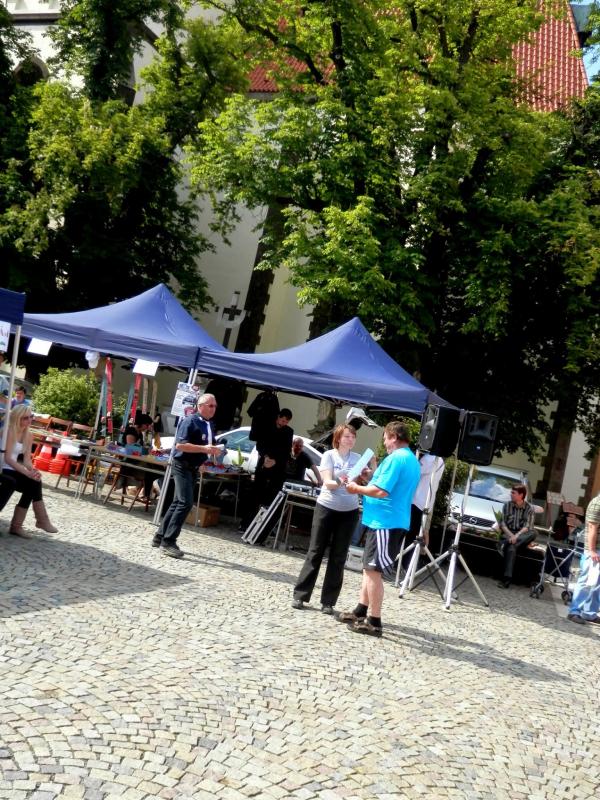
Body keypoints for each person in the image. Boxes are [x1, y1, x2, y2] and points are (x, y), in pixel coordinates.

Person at [338, 421, 420, 637]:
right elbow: (385, 485)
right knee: (369, 569)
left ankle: (374, 621)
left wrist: (355, 488)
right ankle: (361, 610)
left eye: (385, 438)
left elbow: (381, 491)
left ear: (394, 437)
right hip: (385, 521)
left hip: (386, 522)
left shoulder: (396, 458)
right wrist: (368, 478)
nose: (384, 442)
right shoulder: (409, 458)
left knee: (374, 571)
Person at [292, 425, 361, 613]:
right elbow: (328, 483)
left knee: (338, 556)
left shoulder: (357, 459)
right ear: (338, 438)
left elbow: (363, 482)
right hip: (327, 507)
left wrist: (368, 469)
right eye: (347, 436)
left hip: (349, 511)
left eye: (353, 436)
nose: (351, 439)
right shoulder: (329, 455)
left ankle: (328, 602)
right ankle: (300, 595)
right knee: (315, 551)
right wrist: (340, 480)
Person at [152, 393, 221, 558]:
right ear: (200, 406)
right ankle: (168, 541)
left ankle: (160, 536)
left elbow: (205, 445)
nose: (214, 409)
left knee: (178, 502)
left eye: (215, 406)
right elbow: (180, 445)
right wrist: (204, 449)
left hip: (193, 467)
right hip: (181, 465)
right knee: (185, 503)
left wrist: (206, 457)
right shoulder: (190, 421)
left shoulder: (209, 424)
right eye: (211, 406)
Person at [3, 403, 58, 537]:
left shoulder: (28, 435)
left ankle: (24, 524)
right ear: (17, 418)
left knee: (34, 481)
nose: (30, 420)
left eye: (31, 416)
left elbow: (27, 460)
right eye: (26, 418)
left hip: (13, 468)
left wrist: (33, 471)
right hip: (3, 467)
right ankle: (35, 521)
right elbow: (7, 459)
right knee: (33, 483)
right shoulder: (8, 431)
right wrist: (27, 473)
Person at [240, 408, 294, 534]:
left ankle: (266, 527)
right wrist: (266, 457)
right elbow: (260, 445)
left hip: (277, 467)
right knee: (255, 495)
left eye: (286, 421)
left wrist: (275, 461)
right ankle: (246, 524)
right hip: (264, 464)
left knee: (272, 498)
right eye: (282, 420)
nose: (284, 423)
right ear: (278, 417)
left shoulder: (288, 432)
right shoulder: (267, 427)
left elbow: (286, 451)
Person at [401, 453, 445, 567]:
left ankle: (403, 563)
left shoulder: (430, 458)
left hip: (417, 501)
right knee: (413, 534)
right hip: (424, 502)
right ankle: (406, 564)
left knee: (408, 535)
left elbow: (414, 472)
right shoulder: (438, 459)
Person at [567, 492, 600, 625]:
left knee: (597, 583)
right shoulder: (597, 503)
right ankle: (574, 611)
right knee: (587, 581)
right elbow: (592, 527)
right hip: (594, 549)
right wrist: (591, 550)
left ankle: (590, 613)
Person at [496, 484, 536, 588]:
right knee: (512, 549)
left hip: (521, 534)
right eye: (511, 492)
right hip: (508, 533)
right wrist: (511, 536)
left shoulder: (529, 508)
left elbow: (527, 526)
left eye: (513, 493)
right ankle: (507, 579)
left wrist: (516, 536)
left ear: (521, 495)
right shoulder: (507, 505)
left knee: (533, 532)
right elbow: (502, 524)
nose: (511, 494)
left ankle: (505, 544)